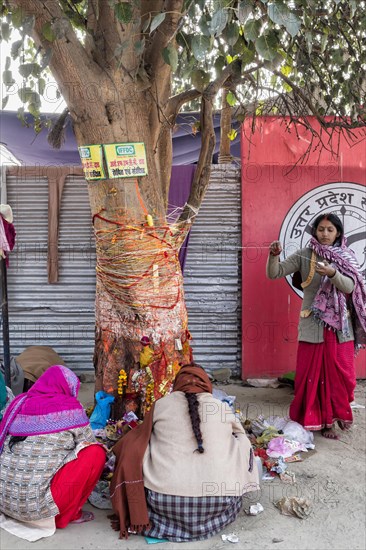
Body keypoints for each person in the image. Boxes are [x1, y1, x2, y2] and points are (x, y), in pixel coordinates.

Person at [109, 363, 259, 542]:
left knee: (138, 443)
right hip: (219, 504)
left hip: (163, 502)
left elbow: (137, 439)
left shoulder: (162, 405)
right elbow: (241, 436)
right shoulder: (221, 407)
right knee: (241, 442)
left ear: (178, 384)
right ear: (206, 384)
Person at [267, 213, 366, 440]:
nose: (325, 234)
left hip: (340, 327)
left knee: (342, 374)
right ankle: (318, 420)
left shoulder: (346, 257)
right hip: (312, 325)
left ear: (338, 232)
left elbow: (350, 287)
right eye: (321, 229)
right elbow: (274, 273)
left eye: (330, 230)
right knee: (311, 375)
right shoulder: (304, 255)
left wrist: (332, 273)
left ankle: (332, 418)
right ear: (315, 232)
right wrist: (273, 256)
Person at [0, 365, 106, 539]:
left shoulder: (18, 402)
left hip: (4, 501)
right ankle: (67, 515)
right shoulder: (69, 408)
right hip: (34, 509)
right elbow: (89, 442)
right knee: (95, 453)